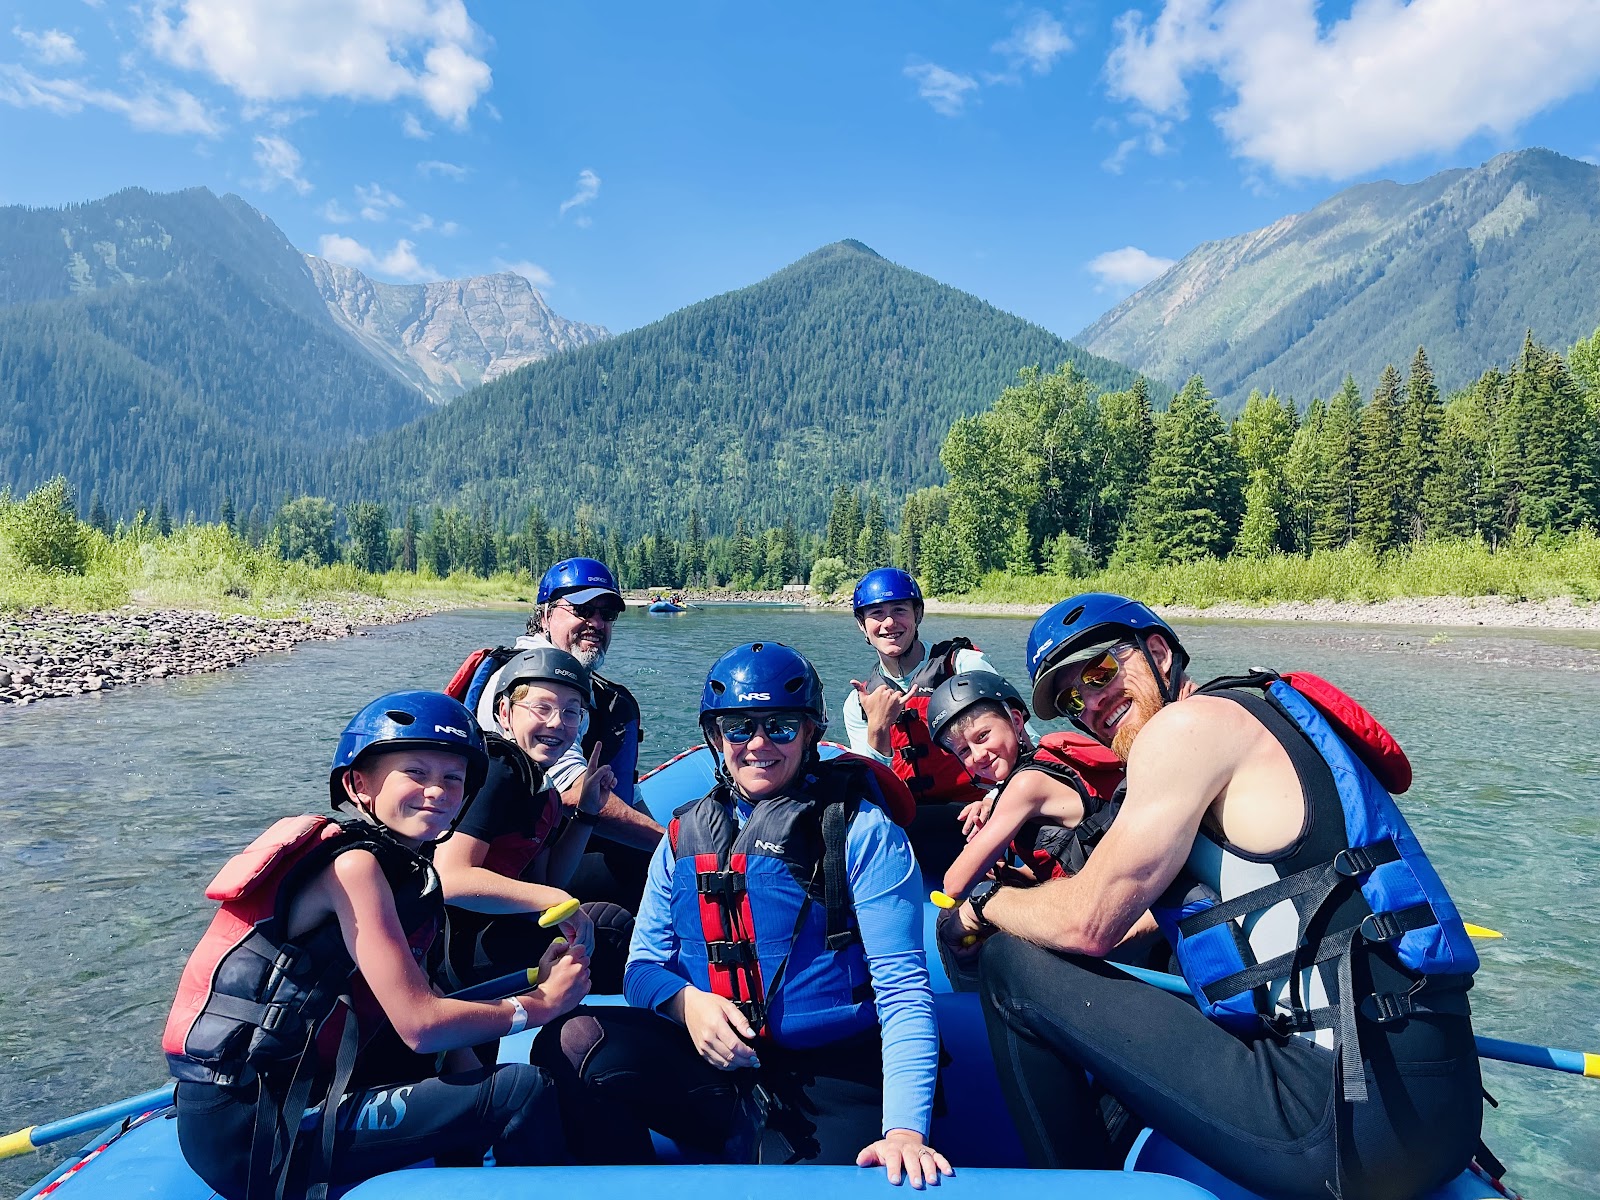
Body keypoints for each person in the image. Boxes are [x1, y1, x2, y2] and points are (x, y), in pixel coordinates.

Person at [940, 593, 1482, 1199]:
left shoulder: (1183, 730)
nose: (1091, 703)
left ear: (1159, 652)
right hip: (1440, 1104)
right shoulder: (1251, 712)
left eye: (1099, 672)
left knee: (1010, 967)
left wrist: (985, 905)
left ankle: (1080, 1190)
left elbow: (1090, 924)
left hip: (1345, 1114)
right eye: (1071, 699)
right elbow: (1144, 923)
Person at [532, 642, 954, 1187]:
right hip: (715, 1060)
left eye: (780, 726)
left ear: (809, 733)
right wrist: (687, 1004)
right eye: (739, 727)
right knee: (570, 1043)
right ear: (715, 737)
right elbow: (641, 971)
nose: (758, 744)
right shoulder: (683, 835)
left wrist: (904, 1132)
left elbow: (902, 990)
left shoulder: (862, 830)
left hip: (832, 1075)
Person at [164, 691, 590, 1200]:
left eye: (453, 779)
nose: (437, 791)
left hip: (288, 1094)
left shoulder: (401, 870)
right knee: (524, 1089)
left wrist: (476, 1077)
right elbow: (420, 1025)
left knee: (473, 1062)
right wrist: (540, 1006)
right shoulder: (355, 867)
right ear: (358, 785)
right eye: (416, 772)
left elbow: (425, 998)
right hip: (254, 1135)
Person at [455, 557, 663, 909]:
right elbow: (571, 791)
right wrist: (674, 844)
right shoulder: (528, 681)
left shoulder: (584, 689)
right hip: (499, 867)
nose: (596, 623)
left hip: (548, 851)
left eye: (607, 614)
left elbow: (615, 790)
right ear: (546, 614)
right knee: (646, 868)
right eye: (583, 609)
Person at [436, 648, 636, 999]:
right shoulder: (499, 769)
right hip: (451, 951)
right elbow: (450, 878)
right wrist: (555, 898)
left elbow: (548, 880)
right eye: (542, 708)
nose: (557, 722)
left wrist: (587, 813)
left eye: (571, 712)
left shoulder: (544, 790)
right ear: (505, 713)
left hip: (494, 929)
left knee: (605, 922)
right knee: (609, 933)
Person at [843, 567, 1029, 874]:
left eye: (899, 610)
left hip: (983, 810)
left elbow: (1023, 741)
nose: (889, 623)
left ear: (917, 615)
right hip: (911, 823)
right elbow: (871, 794)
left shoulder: (964, 665)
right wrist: (878, 727)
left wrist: (998, 799)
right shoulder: (858, 702)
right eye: (876, 614)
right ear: (862, 626)